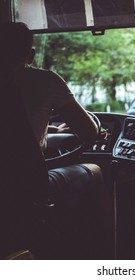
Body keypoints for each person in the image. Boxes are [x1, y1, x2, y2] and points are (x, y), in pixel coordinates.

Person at [0, 22, 114, 259]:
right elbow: (89, 132)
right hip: (27, 186)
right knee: (94, 170)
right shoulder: (45, 80)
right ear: (30, 55)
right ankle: (106, 253)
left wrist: (44, 128)